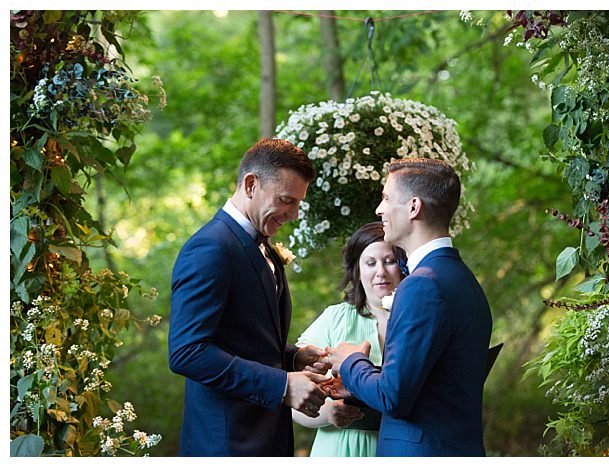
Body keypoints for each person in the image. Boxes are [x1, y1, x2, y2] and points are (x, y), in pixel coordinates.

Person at [168, 138, 332, 456]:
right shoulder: (210, 248)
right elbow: (187, 352)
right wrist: (282, 386)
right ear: (251, 184)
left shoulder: (262, 244)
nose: (294, 214)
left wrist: (292, 358)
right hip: (226, 442)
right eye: (287, 200)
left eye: (298, 203)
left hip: (266, 438)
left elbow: (240, 340)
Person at [327, 158, 493, 456]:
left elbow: (394, 397)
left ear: (414, 207)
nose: (379, 209)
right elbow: (432, 383)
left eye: (387, 198)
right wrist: (357, 386)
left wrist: (351, 361)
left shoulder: (422, 285)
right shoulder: (463, 280)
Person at [292, 221, 406, 456]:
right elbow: (294, 396)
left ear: (404, 266)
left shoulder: (417, 319)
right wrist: (328, 413)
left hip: (403, 447)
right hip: (341, 450)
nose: (380, 272)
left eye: (390, 261)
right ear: (358, 270)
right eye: (370, 263)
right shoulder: (335, 319)